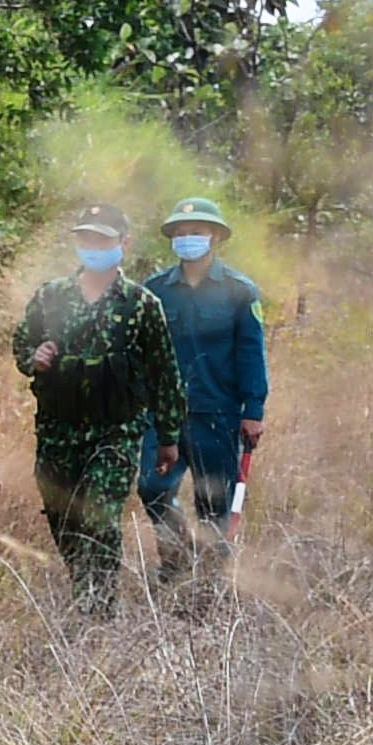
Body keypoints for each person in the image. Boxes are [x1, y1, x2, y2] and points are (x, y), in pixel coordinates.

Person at [10, 203, 183, 611]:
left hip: (115, 432)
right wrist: (34, 356)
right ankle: (83, 588)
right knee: (63, 516)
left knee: (101, 518)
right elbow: (21, 343)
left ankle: (98, 610)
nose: (93, 246)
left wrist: (169, 438)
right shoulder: (52, 296)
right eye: (86, 238)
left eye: (103, 240)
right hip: (58, 431)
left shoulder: (141, 304)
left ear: (123, 244)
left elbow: (165, 372)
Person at [144, 196, 271, 609]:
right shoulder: (155, 291)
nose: (187, 239)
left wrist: (254, 410)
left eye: (196, 232)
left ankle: (211, 587)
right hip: (163, 415)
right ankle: (178, 557)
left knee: (214, 503)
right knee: (152, 489)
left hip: (217, 413)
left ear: (215, 235)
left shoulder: (239, 290)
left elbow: (251, 353)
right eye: (180, 234)